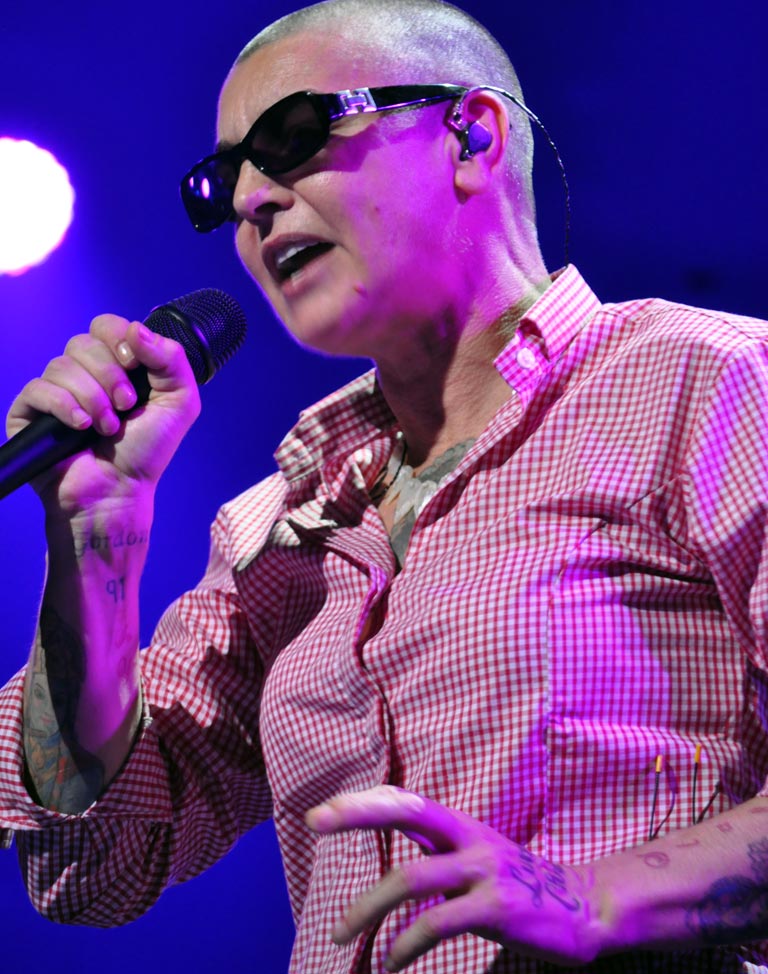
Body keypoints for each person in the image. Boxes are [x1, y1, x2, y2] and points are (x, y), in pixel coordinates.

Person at [1, 0, 768, 970]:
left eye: (292, 136)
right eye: (222, 182)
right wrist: (92, 543)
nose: (251, 199)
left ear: (471, 137)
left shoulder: (707, 381)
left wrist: (595, 895)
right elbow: (95, 861)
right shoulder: (281, 525)